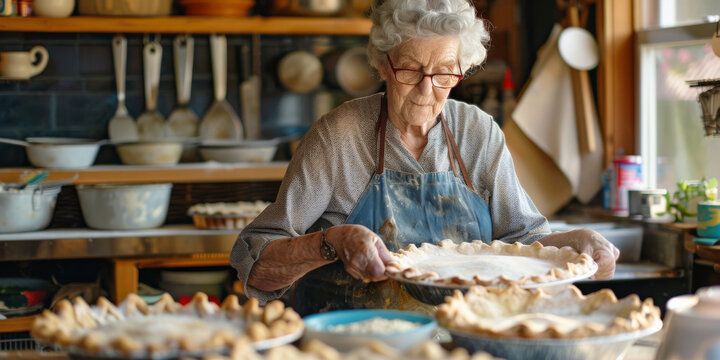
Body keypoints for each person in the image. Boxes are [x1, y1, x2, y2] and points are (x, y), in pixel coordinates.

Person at [230, 0, 619, 315]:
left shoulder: (477, 133)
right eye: (411, 70)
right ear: (384, 64)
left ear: (462, 70)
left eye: (445, 74)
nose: (426, 90)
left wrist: (577, 241)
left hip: (464, 336)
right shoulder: (339, 135)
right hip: (353, 341)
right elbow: (258, 266)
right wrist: (332, 242)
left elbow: (524, 242)